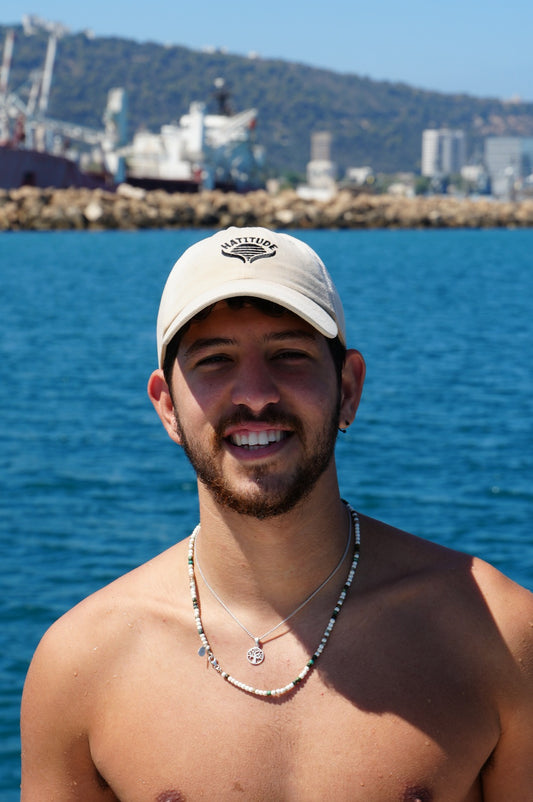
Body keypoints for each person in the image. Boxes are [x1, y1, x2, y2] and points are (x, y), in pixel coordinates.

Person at [21, 227, 533, 801]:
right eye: (214, 361)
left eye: (289, 355)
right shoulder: (82, 668)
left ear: (349, 387)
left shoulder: (500, 638)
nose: (257, 394)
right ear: (167, 406)